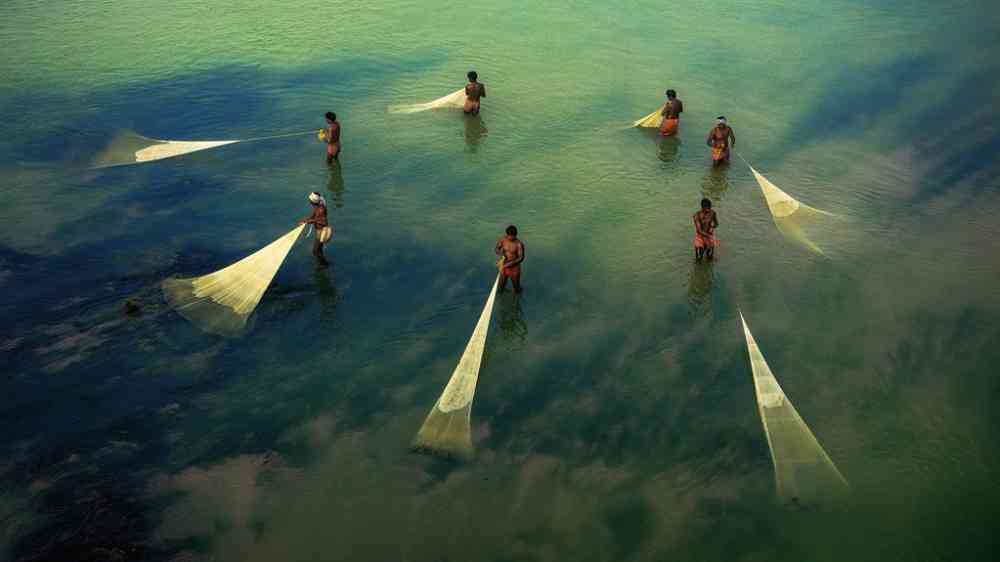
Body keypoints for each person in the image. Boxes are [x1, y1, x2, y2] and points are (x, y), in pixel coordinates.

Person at [301, 192, 332, 266]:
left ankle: (325, 264)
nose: (309, 201)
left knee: (315, 251)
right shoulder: (317, 207)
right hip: (319, 231)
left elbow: (320, 220)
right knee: (319, 250)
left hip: (321, 232)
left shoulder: (320, 209)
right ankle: (323, 263)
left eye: (310, 200)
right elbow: (313, 216)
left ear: (312, 202)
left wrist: (307, 222)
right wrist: (305, 221)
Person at [495, 225, 525, 293]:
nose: (510, 237)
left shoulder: (519, 244)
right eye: (509, 235)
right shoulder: (503, 240)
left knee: (516, 288)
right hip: (504, 267)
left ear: (515, 235)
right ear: (507, 234)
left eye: (512, 236)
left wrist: (508, 264)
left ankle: (517, 300)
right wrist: (501, 253)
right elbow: (497, 248)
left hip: (514, 269)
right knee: (501, 286)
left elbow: (521, 258)